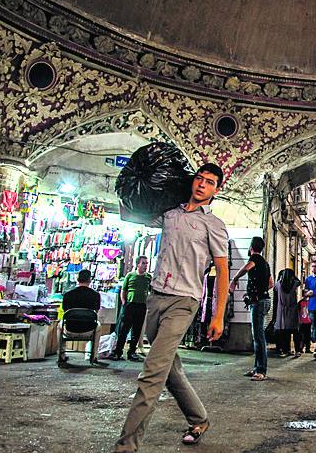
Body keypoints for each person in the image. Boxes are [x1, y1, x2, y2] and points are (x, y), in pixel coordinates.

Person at [115, 163, 229, 452]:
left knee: (152, 373)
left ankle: (127, 445)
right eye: (199, 179)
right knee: (169, 368)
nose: (202, 184)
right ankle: (199, 418)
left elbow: (222, 271)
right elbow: (131, 213)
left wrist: (218, 316)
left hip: (184, 301)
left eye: (210, 182)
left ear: (216, 190)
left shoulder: (213, 225)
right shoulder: (169, 213)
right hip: (156, 298)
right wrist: (131, 186)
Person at [230, 236, 273, 381]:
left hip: (259, 302)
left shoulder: (255, 260)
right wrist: (254, 292)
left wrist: (234, 279)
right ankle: (256, 368)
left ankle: (261, 371)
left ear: (251, 247)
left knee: (259, 337)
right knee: (257, 336)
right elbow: (270, 284)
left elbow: (245, 269)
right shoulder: (265, 263)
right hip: (264, 300)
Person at [109, 256, 151, 361]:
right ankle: (118, 351)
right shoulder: (130, 275)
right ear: (138, 264)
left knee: (136, 330)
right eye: (143, 263)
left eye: (146, 263)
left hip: (141, 306)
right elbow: (123, 290)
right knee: (124, 329)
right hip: (129, 305)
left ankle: (132, 352)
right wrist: (124, 302)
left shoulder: (148, 277)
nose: (145, 265)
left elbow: (151, 291)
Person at [59, 269, 102, 364]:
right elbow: (96, 312)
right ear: (89, 280)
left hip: (70, 329)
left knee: (60, 324)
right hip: (89, 330)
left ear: (78, 280)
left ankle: (61, 354)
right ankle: (93, 355)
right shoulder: (96, 295)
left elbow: (65, 312)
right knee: (98, 325)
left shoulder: (68, 295)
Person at [273, 268, 302, 357]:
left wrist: (281, 278)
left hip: (281, 311)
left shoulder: (278, 284)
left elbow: (274, 290)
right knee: (295, 331)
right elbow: (299, 281)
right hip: (292, 310)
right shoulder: (294, 284)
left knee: (285, 331)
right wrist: (293, 276)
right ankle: (297, 351)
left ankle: (285, 350)